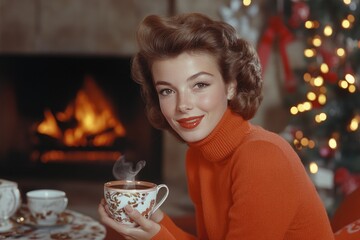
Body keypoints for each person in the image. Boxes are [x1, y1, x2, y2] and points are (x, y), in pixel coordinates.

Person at [98, 12, 335, 239]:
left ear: (231, 85)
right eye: (167, 91)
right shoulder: (198, 157)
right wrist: (154, 220)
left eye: (200, 85)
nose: (183, 105)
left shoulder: (262, 157)